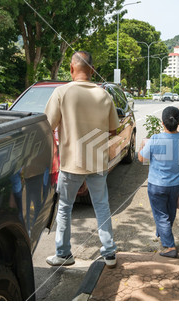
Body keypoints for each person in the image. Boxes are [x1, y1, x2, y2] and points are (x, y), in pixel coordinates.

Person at [44, 51, 119, 268]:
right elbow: (113, 130)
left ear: (71, 68)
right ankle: (109, 253)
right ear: (92, 70)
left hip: (71, 161)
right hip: (97, 159)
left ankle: (64, 254)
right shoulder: (104, 95)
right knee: (102, 205)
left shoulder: (62, 92)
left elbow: (48, 126)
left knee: (65, 207)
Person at [138, 106, 179, 258]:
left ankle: (170, 247)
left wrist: (142, 147)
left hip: (157, 185)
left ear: (163, 123)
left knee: (161, 215)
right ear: (178, 122)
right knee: (169, 212)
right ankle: (163, 232)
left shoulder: (155, 139)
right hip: (176, 185)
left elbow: (141, 158)